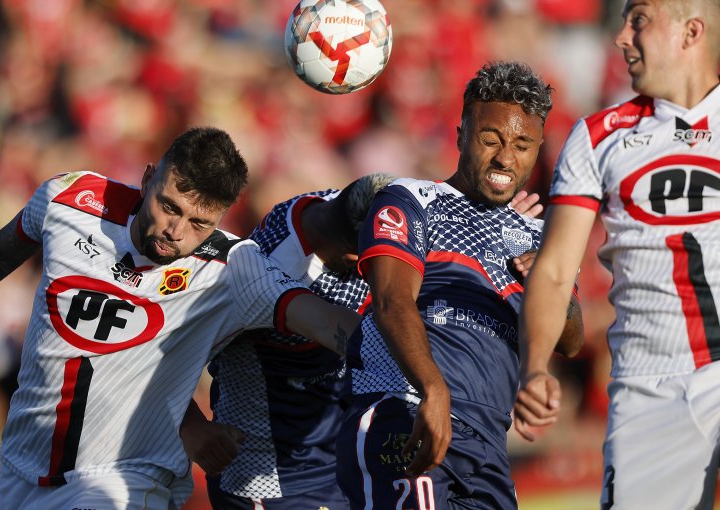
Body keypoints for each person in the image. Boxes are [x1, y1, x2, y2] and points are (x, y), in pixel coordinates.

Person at [0, 126, 362, 510]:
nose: (175, 231)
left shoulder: (234, 266)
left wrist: (417, 365)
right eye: (168, 206)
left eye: (199, 222)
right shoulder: (69, 200)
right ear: (146, 179)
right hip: (24, 467)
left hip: (127, 479)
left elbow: (322, 320)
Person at [179, 175, 545, 509]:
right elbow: (163, 346)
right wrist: (193, 427)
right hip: (272, 478)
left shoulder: (357, 210)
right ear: (356, 259)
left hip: (342, 456)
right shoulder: (258, 273)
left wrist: (491, 229)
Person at [335, 61, 584, 509]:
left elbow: (571, 340)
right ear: (461, 134)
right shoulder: (409, 200)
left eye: (522, 145)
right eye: (491, 140)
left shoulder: (538, 236)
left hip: (489, 445)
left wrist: (551, 285)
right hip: (406, 411)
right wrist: (433, 389)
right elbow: (393, 302)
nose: (506, 158)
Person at [515, 0, 720, 508]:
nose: (621, 36)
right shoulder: (597, 136)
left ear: (691, 31)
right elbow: (558, 267)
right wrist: (535, 366)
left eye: (639, 20)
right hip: (645, 388)